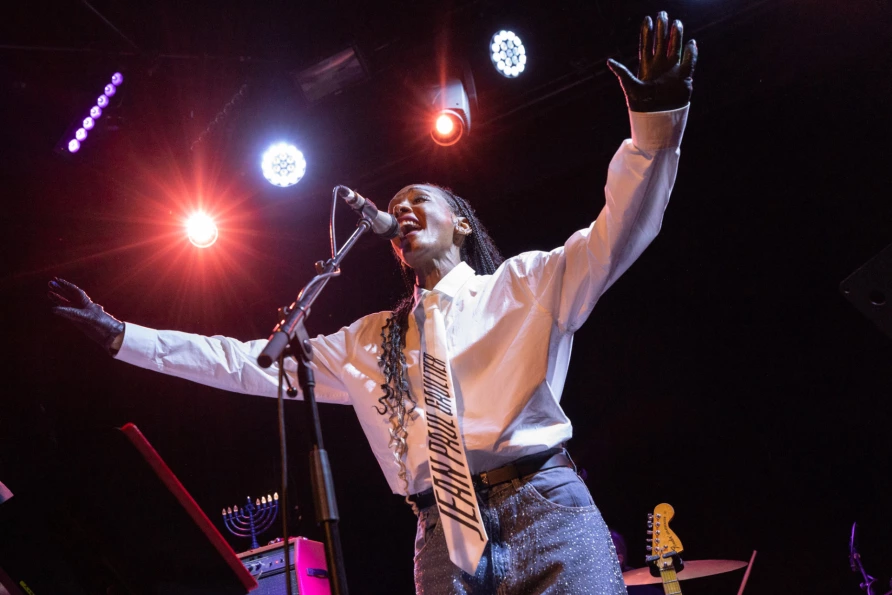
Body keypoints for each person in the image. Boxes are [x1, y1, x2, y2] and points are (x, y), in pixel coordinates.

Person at [49, 12, 696, 595]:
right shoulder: (368, 339)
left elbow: (621, 229)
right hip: (440, 534)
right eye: (394, 209)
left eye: (419, 199)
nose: (402, 211)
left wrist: (655, 130)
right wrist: (121, 335)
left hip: (542, 504)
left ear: (462, 223)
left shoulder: (525, 285)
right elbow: (245, 363)